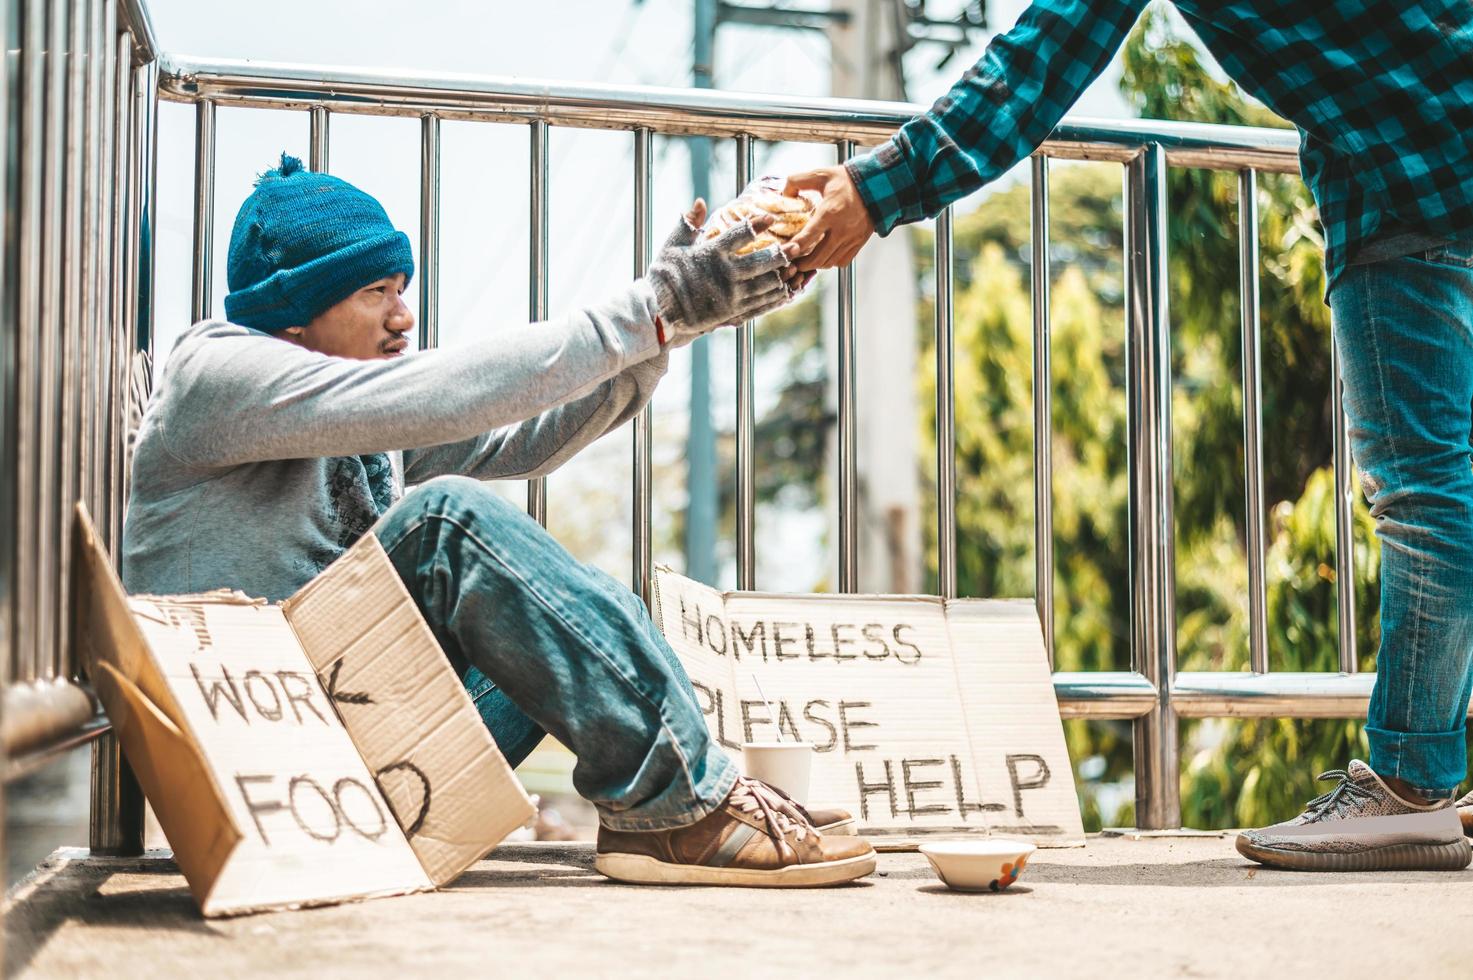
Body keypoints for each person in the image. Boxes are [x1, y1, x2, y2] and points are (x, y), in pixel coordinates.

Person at [782, 1, 1473, 871]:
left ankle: (1410, 786)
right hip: (1428, 160)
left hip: (1406, 190)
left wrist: (876, 187)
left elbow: (1044, 58)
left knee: (1424, 491)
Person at [122, 153, 874, 887]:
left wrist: (671, 326)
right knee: (450, 518)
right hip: (259, 766)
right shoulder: (215, 376)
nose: (402, 316)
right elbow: (448, 395)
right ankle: (681, 806)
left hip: (368, 775)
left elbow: (525, 435)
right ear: (293, 316)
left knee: (569, 608)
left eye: (402, 289)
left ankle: (676, 806)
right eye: (375, 293)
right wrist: (653, 305)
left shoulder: (358, 412)